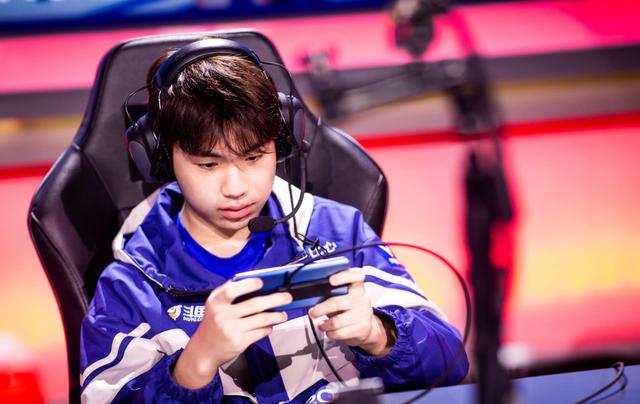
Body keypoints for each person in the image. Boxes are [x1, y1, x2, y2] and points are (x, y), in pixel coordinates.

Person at [79, 38, 468, 403]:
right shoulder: (132, 282)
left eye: (253, 157)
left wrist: (378, 334)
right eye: (208, 164)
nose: (236, 188)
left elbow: (450, 365)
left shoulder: (337, 231)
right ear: (160, 158)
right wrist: (194, 365)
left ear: (280, 144)